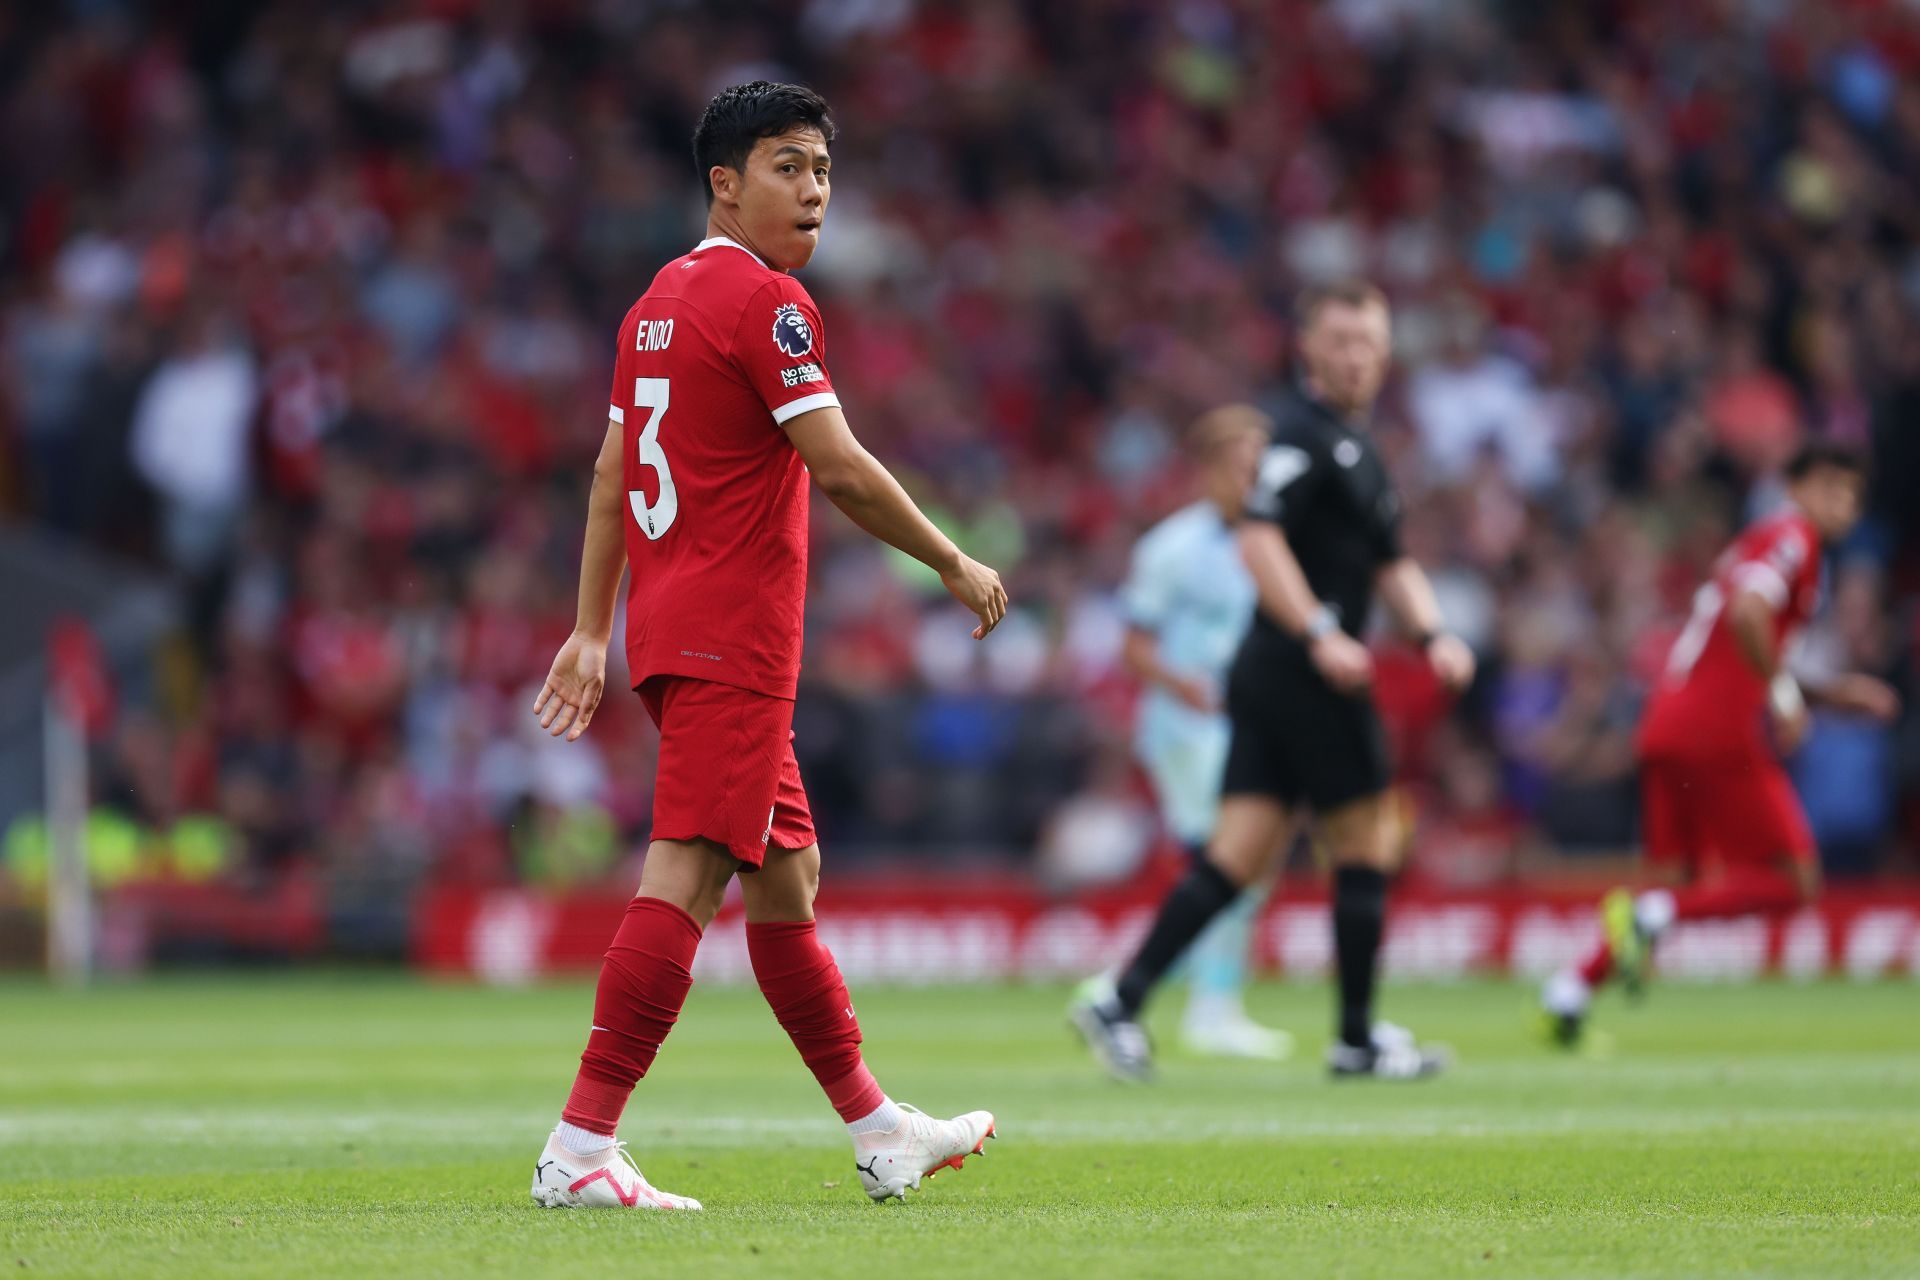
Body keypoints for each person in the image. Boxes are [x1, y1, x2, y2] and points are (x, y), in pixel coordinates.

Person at [526, 81, 1008, 1210]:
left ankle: (881, 1126)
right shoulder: (767, 302)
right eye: (789, 167)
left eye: (824, 170)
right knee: (688, 872)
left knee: (787, 880)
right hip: (735, 634)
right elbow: (837, 466)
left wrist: (594, 627)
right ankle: (582, 1142)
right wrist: (950, 557)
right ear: (724, 183)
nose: (815, 191)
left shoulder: (654, 302)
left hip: (673, 629)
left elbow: (609, 477)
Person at [1071, 281, 1474, 1082]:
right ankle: (1356, 1038)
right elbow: (1259, 540)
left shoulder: (1358, 448)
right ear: (1309, 350)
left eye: (1369, 342)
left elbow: (1391, 561)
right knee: (1366, 842)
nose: (1356, 356)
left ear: (1386, 354)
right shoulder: (1299, 435)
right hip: (1303, 674)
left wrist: (1431, 632)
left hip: (1268, 674)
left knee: (1236, 856)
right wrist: (1322, 631)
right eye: (1341, 341)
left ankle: (1120, 1001)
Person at [1541, 442, 1899, 1046]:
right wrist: (1784, 697)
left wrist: (1830, 694)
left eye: (1852, 495)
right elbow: (1747, 615)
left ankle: (1568, 992)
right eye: (1830, 487)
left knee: (1676, 889)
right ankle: (1646, 922)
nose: (1842, 504)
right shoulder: (1793, 537)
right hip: (1717, 731)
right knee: (1793, 881)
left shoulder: (1757, 542)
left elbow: (1739, 643)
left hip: (1669, 725)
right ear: (1795, 486)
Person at [1099, 405, 1292, 1061]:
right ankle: (1207, 1008)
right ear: (1209, 471)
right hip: (1190, 728)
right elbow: (1131, 646)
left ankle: (1125, 989)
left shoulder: (1273, 539)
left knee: (1243, 865)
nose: (1254, 480)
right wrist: (1188, 687)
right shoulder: (1171, 548)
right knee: (1232, 860)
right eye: (1242, 468)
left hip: (1248, 722)